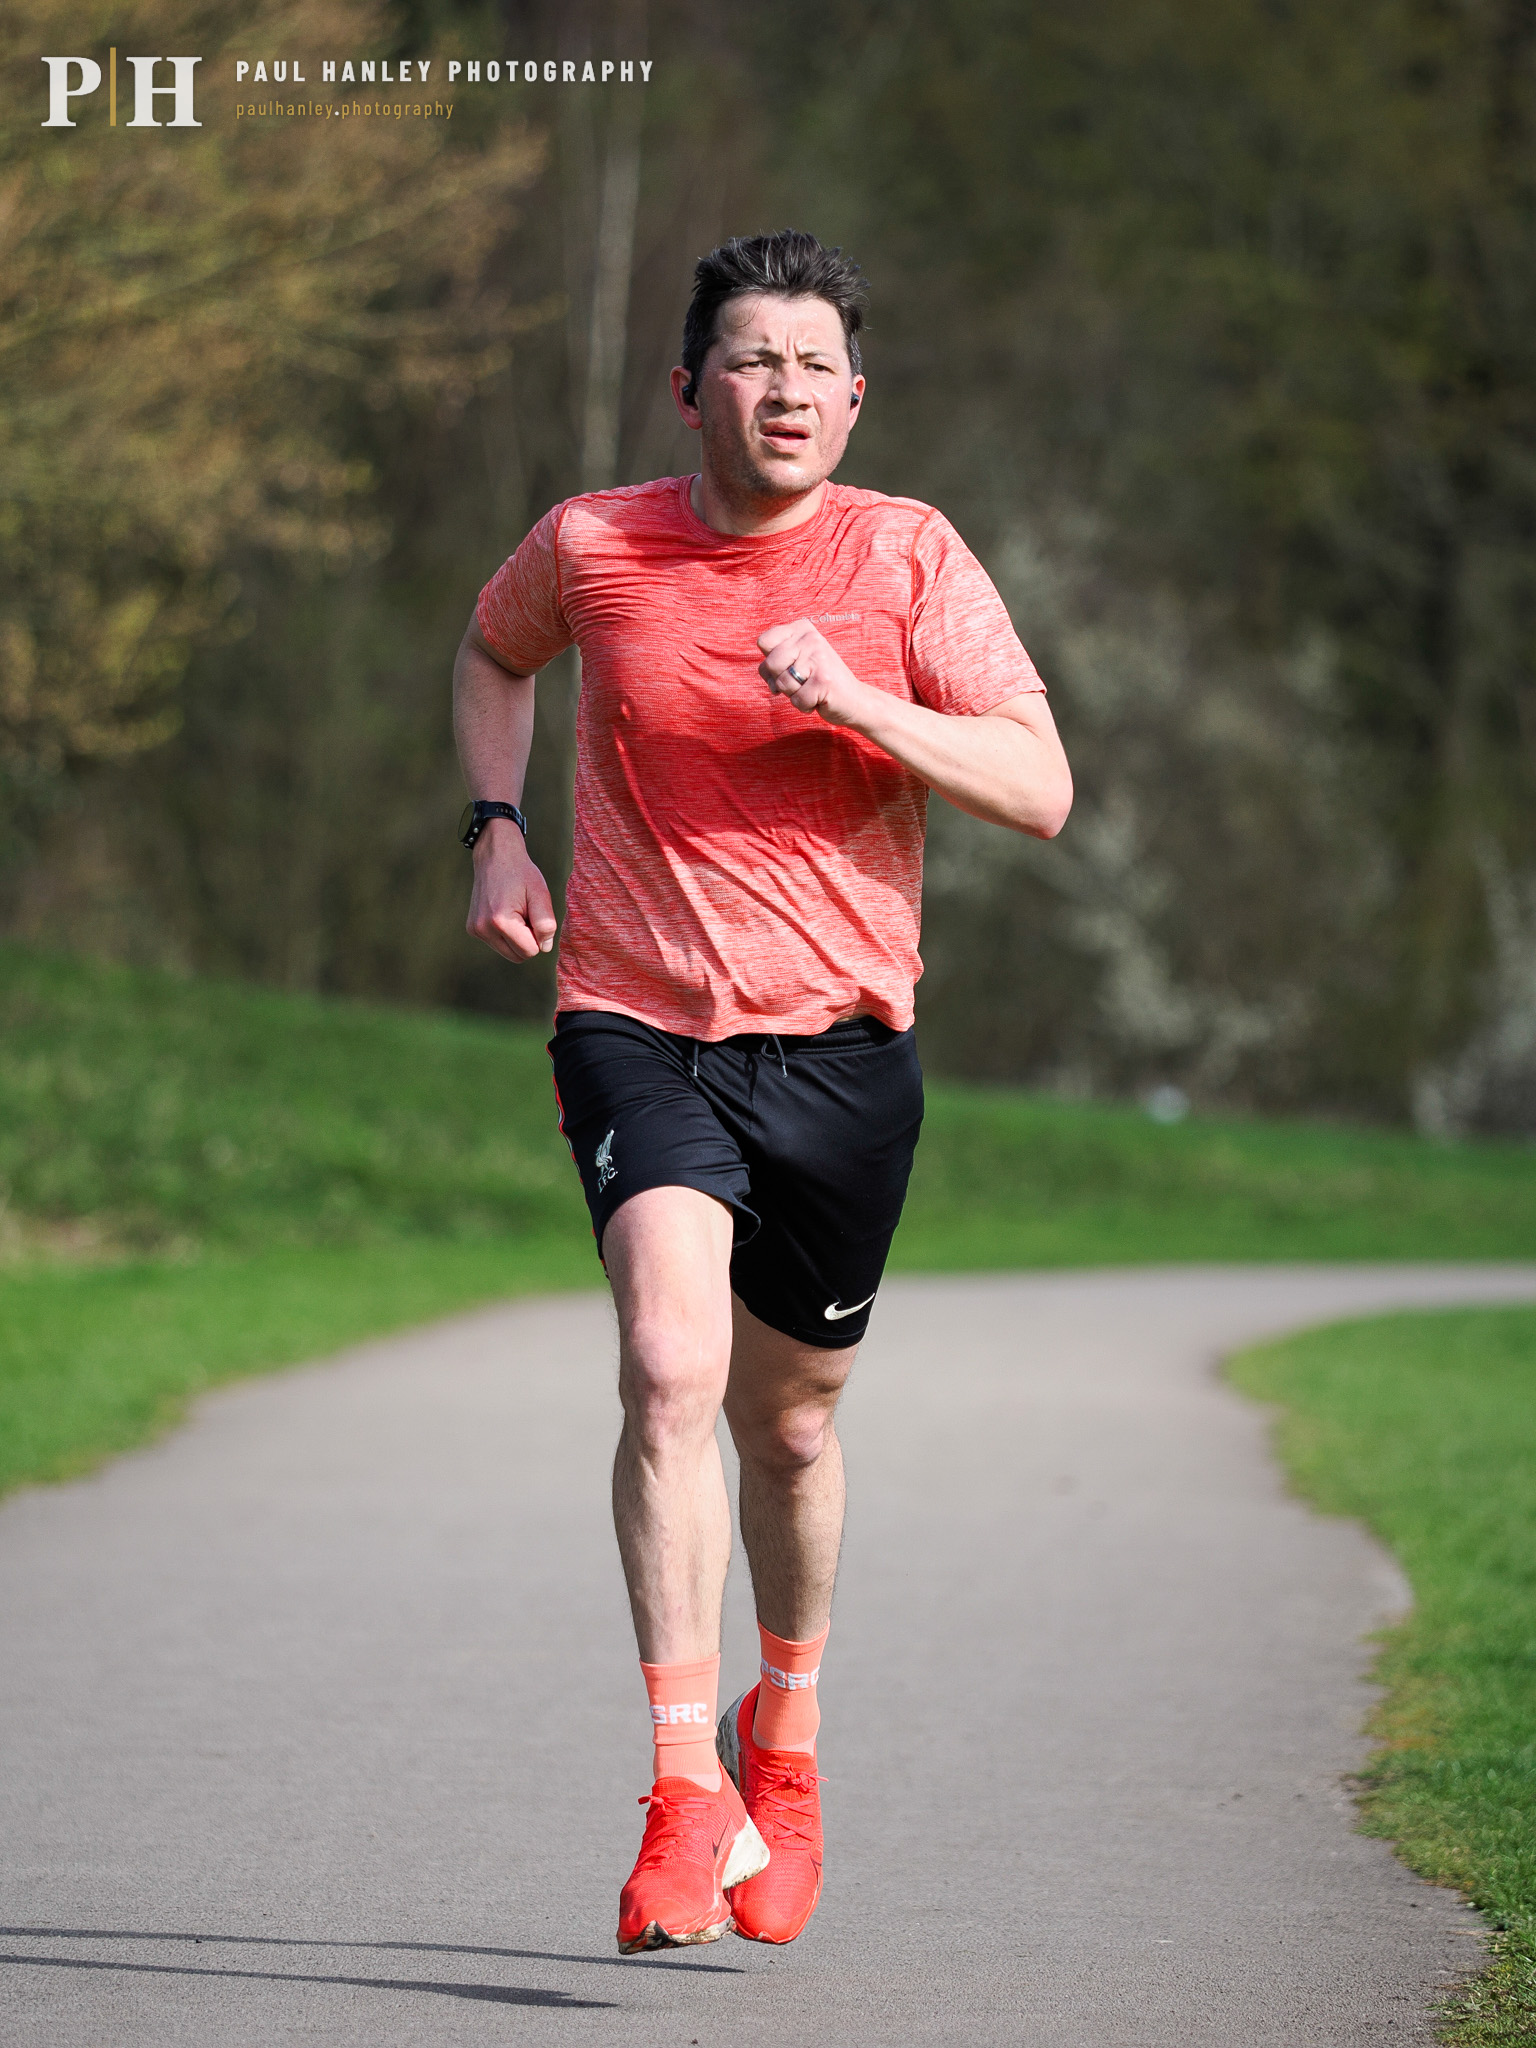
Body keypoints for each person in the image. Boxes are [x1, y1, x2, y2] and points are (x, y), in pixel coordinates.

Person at [453, 229, 1071, 1953]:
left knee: (790, 1427)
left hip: (844, 1048)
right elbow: (494, 653)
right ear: (690, 389)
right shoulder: (594, 544)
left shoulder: (907, 555)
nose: (785, 390)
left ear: (855, 400)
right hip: (636, 1022)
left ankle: (778, 1744)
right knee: (671, 1370)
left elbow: (1039, 788)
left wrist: (861, 701)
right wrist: (496, 828)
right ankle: (679, 1790)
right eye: (752, 360)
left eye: (815, 366)